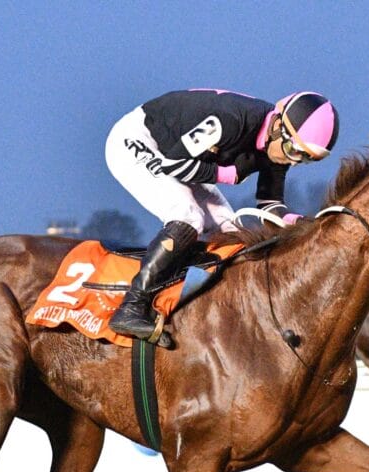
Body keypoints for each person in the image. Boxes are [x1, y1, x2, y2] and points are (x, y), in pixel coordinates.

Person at [105, 89, 340, 342]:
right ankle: (132, 307)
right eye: (295, 152)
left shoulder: (278, 148)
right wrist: (229, 175)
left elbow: (270, 207)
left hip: (179, 156)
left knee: (232, 233)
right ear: (278, 127)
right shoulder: (232, 119)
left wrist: (302, 223)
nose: (293, 162)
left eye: (305, 159)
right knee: (189, 216)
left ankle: (191, 307)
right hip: (138, 140)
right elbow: (173, 164)